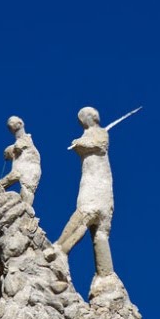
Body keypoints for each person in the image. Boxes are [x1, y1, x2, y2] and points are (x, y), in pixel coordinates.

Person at [56, 107, 115, 277]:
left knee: (86, 215)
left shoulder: (100, 133)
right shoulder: (90, 133)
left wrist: (79, 144)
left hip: (96, 183)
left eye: (83, 117)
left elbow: (99, 146)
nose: (83, 120)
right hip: (95, 181)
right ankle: (105, 276)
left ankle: (60, 247)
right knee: (97, 232)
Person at [0, 116, 41, 205]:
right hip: (29, 169)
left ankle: (25, 209)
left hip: (30, 169)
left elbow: (20, 146)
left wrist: (12, 148)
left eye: (12, 122)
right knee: (24, 187)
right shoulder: (22, 142)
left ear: (20, 123)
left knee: (27, 190)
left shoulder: (25, 140)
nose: (10, 124)